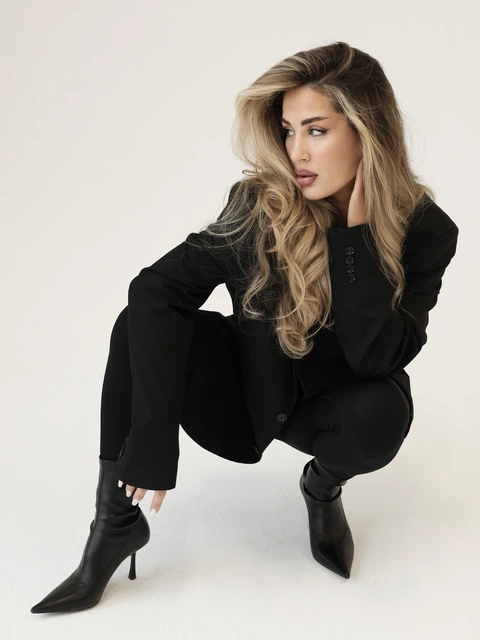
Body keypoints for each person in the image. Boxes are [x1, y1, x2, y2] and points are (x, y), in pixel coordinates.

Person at [30, 40, 459, 613]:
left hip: (332, 402)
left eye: (316, 131)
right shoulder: (262, 205)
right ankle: (115, 525)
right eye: (288, 131)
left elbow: (377, 359)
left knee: (381, 416)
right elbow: (155, 291)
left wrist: (353, 240)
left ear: (366, 133)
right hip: (250, 389)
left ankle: (321, 488)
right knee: (138, 322)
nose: (296, 152)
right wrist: (152, 446)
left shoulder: (427, 231)